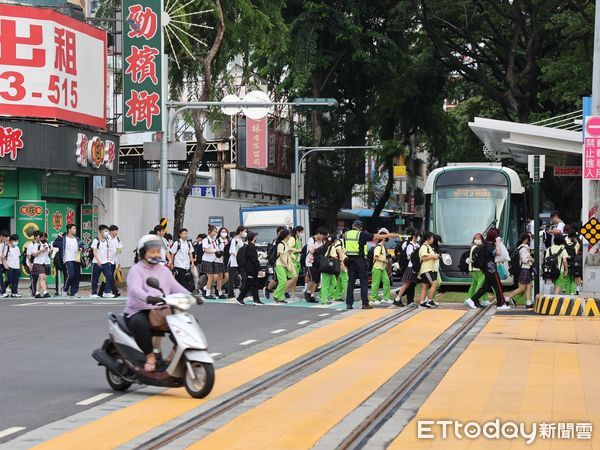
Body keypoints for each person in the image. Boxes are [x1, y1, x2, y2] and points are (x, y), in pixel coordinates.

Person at [124, 234, 190, 372]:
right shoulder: (136, 270)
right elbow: (135, 289)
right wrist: (147, 297)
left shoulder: (164, 270)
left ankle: (172, 357)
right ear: (143, 253)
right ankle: (150, 357)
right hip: (139, 310)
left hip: (161, 310)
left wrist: (191, 295)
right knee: (140, 324)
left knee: (187, 322)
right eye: (152, 251)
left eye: (158, 251)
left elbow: (175, 286)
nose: (156, 254)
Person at [344, 220, 398, 310]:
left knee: (351, 283)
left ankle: (349, 304)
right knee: (363, 283)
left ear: (353, 226)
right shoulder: (361, 234)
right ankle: (365, 304)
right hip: (360, 260)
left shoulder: (346, 234)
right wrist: (390, 235)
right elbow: (376, 236)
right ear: (360, 228)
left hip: (350, 260)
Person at [466, 229, 510, 310]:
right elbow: (498, 253)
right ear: (494, 237)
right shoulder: (490, 246)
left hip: (487, 269)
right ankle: (501, 304)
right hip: (491, 270)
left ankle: (472, 300)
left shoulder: (485, 244)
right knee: (498, 286)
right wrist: (497, 243)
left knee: (485, 287)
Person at [505, 233, 534, 309]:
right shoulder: (524, 248)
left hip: (525, 269)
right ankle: (506, 299)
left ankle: (528, 302)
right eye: (529, 238)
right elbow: (524, 260)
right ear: (526, 239)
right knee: (521, 288)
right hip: (524, 269)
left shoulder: (521, 247)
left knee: (529, 286)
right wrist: (531, 259)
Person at [236, 231, 265, 306]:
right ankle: (241, 298)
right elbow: (254, 259)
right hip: (251, 268)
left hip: (249, 268)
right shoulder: (251, 246)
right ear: (254, 238)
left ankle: (255, 300)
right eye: (255, 236)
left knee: (253, 284)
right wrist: (259, 269)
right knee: (250, 284)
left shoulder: (249, 245)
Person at [394, 228, 420, 307]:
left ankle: (407, 300)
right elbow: (409, 257)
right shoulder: (410, 245)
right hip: (410, 267)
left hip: (413, 267)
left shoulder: (416, 245)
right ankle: (398, 298)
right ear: (414, 236)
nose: (419, 237)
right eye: (418, 236)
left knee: (410, 284)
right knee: (407, 284)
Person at [90, 225, 115, 298]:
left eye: (107, 231)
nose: (107, 232)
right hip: (97, 263)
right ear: (101, 232)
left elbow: (107, 250)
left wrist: (107, 260)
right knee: (95, 278)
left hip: (106, 262)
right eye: (105, 231)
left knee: (109, 276)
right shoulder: (96, 240)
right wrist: (98, 261)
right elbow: (94, 252)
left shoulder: (107, 240)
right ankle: (93, 293)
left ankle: (107, 292)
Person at [417, 232, 440, 308]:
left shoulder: (428, 247)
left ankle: (422, 302)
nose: (433, 239)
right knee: (434, 283)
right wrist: (433, 256)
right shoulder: (424, 247)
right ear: (428, 238)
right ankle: (429, 300)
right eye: (432, 238)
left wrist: (435, 256)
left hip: (428, 269)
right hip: (426, 269)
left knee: (425, 286)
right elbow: (423, 258)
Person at [59, 224, 83, 297]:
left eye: (75, 228)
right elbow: (55, 244)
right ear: (69, 230)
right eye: (74, 228)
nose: (75, 230)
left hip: (76, 259)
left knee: (76, 277)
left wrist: (81, 248)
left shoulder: (77, 239)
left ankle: (74, 292)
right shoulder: (64, 239)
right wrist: (59, 236)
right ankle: (65, 289)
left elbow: (82, 245)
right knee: (71, 275)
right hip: (68, 259)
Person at [304, 228, 327, 303]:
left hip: (318, 262)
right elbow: (312, 251)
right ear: (319, 234)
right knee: (312, 278)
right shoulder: (311, 240)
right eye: (322, 236)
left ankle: (312, 295)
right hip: (310, 262)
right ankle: (307, 292)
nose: (323, 237)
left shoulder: (322, 242)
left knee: (317, 280)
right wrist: (318, 245)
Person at [272, 229, 295, 304]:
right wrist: (287, 266)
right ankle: (275, 295)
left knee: (284, 281)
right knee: (283, 281)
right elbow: (281, 257)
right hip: (280, 265)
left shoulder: (285, 244)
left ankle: (280, 297)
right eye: (289, 235)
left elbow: (288, 252)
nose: (290, 236)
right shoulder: (281, 244)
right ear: (286, 236)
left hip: (284, 265)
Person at [465, 233, 487, 308]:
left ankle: (468, 298)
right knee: (481, 284)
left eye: (479, 238)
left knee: (474, 284)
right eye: (476, 238)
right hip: (477, 269)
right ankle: (475, 300)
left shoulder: (473, 246)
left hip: (472, 269)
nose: (477, 240)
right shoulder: (477, 248)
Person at [100, 225, 123, 297]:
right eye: (115, 231)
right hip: (107, 260)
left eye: (117, 230)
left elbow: (120, 248)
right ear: (111, 231)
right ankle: (112, 291)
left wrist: (118, 262)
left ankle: (100, 292)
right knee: (109, 277)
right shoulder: (107, 238)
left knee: (108, 277)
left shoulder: (117, 239)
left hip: (114, 261)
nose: (117, 232)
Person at [320, 234, 343, 305]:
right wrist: (340, 261)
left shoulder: (325, 246)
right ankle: (324, 300)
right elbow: (334, 257)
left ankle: (327, 296)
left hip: (326, 267)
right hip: (329, 267)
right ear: (334, 240)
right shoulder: (332, 247)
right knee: (326, 284)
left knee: (333, 282)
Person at [265, 226, 287, 299]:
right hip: (275, 262)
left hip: (280, 261)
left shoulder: (283, 241)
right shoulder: (276, 241)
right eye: (281, 232)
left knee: (279, 279)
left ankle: (280, 293)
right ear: (278, 233)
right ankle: (268, 290)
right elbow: (274, 252)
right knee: (277, 279)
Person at [371, 228, 392, 304]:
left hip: (382, 268)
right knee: (375, 284)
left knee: (386, 281)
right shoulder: (378, 247)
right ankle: (373, 299)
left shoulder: (382, 247)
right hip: (377, 267)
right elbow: (375, 257)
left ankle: (386, 298)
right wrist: (384, 261)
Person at [170, 228, 194, 292]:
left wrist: (192, 263)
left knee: (187, 279)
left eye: (186, 233)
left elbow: (190, 253)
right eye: (184, 233)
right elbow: (172, 253)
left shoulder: (188, 243)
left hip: (186, 265)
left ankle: (182, 291)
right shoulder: (177, 243)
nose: (185, 235)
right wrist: (171, 263)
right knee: (181, 280)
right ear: (180, 235)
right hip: (178, 264)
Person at [227, 226, 246, 299]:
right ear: (240, 231)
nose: (245, 233)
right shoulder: (234, 240)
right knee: (232, 279)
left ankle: (244, 293)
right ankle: (230, 295)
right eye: (244, 231)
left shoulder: (241, 240)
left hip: (240, 262)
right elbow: (231, 251)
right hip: (233, 262)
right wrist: (238, 256)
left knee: (244, 277)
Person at [286, 226, 304, 299]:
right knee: (293, 278)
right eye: (301, 232)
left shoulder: (298, 239)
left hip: (296, 261)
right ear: (297, 232)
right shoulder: (292, 239)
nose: (302, 234)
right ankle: (283, 291)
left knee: (295, 279)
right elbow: (288, 248)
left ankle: (293, 294)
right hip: (292, 261)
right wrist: (298, 250)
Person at [31, 232, 51, 298]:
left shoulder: (48, 244)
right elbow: (34, 254)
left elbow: (49, 254)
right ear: (39, 237)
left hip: (45, 263)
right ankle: (45, 292)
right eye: (42, 237)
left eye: (45, 237)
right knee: (43, 277)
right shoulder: (36, 245)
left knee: (40, 278)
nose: (44, 238)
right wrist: (41, 250)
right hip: (38, 262)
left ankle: (37, 293)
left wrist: (51, 251)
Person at [333, 229, 349, 302]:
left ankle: (337, 296)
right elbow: (339, 253)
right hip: (341, 263)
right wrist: (341, 263)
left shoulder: (345, 242)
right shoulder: (339, 242)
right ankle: (348, 297)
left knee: (340, 280)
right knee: (345, 280)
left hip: (344, 263)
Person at [565, 230, 582, 295]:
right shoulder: (577, 243)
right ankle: (576, 289)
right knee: (577, 275)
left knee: (568, 276)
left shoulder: (565, 241)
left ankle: (567, 290)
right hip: (575, 261)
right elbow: (577, 251)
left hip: (567, 260)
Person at [215, 227, 230, 298]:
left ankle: (218, 287)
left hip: (227, 260)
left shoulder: (229, 240)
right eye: (222, 232)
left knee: (227, 277)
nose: (224, 233)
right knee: (220, 276)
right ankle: (219, 292)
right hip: (219, 260)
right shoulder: (217, 240)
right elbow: (216, 250)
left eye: (225, 232)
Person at [26, 231, 40, 296]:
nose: (40, 237)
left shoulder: (40, 244)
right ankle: (34, 292)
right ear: (35, 237)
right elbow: (29, 255)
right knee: (33, 278)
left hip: (38, 263)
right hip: (32, 263)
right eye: (39, 236)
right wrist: (30, 264)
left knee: (37, 278)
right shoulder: (31, 244)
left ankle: (32, 288)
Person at [0, 230, 8, 298]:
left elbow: (3, 255)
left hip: (0, 263)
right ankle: (3, 292)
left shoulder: (4, 244)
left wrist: (5, 264)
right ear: (1, 236)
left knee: (1, 278)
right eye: (5, 237)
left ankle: (3, 292)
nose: (6, 239)